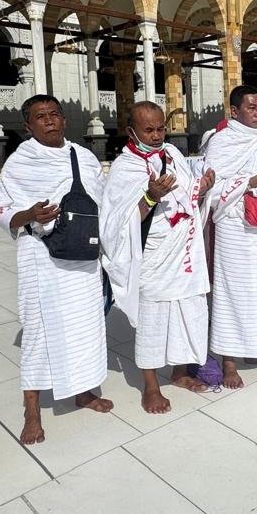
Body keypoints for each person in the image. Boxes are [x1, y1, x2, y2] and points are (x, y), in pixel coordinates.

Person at [0, 95, 113, 444]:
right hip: (42, 259)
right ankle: (32, 409)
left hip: (82, 256)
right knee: (39, 331)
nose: (49, 121)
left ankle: (83, 391)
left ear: (64, 119)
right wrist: (30, 215)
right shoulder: (20, 162)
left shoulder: (85, 157)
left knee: (85, 326)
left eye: (54, 114)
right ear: (28, 127)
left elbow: (102, 205)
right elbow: (2, 212)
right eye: (40, 117)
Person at [100, 102, 215, 414]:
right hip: (153, 255)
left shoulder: (172, 155)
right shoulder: (126, 168)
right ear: (131, 131)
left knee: (187, 312)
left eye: (160, 128)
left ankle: (179, 372)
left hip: (183, 251)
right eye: (148, 129)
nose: (155, 135)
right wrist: (150, 197)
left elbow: (188, 196)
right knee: (153, 320)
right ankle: (150, 387)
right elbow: (116, 224)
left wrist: (203, 187)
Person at [204, 86, 257, 388]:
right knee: (233, 294)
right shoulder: (221, 142)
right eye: (251, 108)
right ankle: (229, 361)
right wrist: (254, 180)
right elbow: (212, 190)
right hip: (235, 229)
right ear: (234, 111)